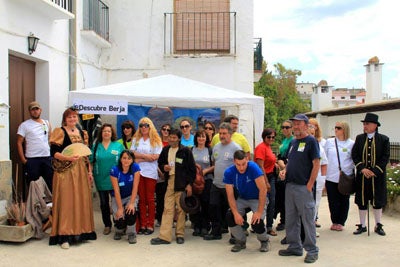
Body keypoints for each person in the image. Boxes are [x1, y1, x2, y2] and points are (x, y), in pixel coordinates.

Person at [49, 107, 96, 249]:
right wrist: (68, 157)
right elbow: (54, 153)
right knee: (67, 202)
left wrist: (89, 172)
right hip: (65, 172)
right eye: (69, 117)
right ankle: (64, 235)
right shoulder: (60, 131)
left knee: (80, 200)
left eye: (74, 117)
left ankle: (80, 231)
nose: (72, 119)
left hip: (81, 170)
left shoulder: (82, 133)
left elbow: (86, 155)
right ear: (65, 119)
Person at [278, 114, 319, 264]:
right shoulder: (294, 142)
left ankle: (312, 250)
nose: (295, 126)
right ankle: (295, 246)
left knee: (307, 219)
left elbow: (316, 164)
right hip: (290, 186)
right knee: (291, 218)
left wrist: (310, 184)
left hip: (303, 187)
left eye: (298, 123)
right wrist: (285, 171)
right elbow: (290, 161)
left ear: (306, 125)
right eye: (294, 123)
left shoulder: (311, 141)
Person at [150, 128, 196, 245]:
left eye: (174, 137)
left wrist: (189, 184)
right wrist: (164, 167)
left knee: (181, 210)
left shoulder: (185, 151)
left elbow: (192, 170)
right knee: (167, 209)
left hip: (182, 183)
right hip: (170, 182)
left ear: (179, 139)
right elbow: (160, 163)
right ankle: (165, 236)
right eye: (170, 137)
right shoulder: (165, 150)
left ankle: (180, 234)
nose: (171, 139)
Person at [351, 113, 390, 236]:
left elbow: (385, 157)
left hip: (377, 176)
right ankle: (362, 225)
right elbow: (355, 155)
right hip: (362, 176)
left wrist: (374, 171)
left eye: (367, 124)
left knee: (377, 200)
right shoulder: (359, 138)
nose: (365, 126)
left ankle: (378, 225)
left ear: (375, 125)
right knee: (362, 200)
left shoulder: (384, 139)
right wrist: (362, 168)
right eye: (364, 124)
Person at [225, 150, 270, 253]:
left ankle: (264, 240)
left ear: (247, 159)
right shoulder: (229, 172)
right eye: (238, 165)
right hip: (242, 198)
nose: (241, 168)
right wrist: (236, 214)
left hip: (257, 198)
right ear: (234, 162)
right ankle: (240, 241)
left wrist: (258, 212)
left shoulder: (254, 168)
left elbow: (263, 190)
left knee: (257, 222)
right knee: (230, 216)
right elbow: (230, 195)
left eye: (244, 164)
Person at [204, 122, 241, 241]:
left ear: (230, 134)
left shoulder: (236, 148)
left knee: (232, 210)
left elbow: (240, 167)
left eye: (224, 133)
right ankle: (216, 232)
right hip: (216, 183)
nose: (222, 136)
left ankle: (235, 235)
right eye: (220, 133)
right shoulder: (216, 147)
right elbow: (215, 164)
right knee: (213, 207)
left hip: (230, 185)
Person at [130, 117, 162, 235]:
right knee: (141, 199)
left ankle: (150, 224)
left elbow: (155, 157)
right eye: (141, 125)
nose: (143, 127)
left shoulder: (156, 140)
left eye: (146, 125)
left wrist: (140, 157)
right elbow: (132, 154)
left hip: (150, 172)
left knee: (150, 199)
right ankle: (143, 224)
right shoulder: (136, 139)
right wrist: (146, 157)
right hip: (138, 172)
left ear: (150, 126)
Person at [91, 123, 124, 235]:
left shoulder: (118, 146)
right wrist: (89, 173)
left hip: (115, 178)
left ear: (112, 133)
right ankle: (107, 225)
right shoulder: (96, 146)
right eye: (104, 131)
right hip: (100, 178)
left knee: (116, 202)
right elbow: (90, 161)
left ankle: (118, 223)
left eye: (109, 131)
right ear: (101, 133)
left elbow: (124, 161)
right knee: (104, 203)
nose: (106, 133)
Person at [17, 101, 53, 192]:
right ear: (29, 111)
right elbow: (19, 142)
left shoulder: (47, 123)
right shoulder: (24, 125)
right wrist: (24, 160)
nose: (35, 111)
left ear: (40, 110)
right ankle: (35, 204)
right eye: (33, 110)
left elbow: (50, 139)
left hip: (46, 158)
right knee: (33, 185)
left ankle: (49, 204)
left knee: (50, 183)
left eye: (37, 109)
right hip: (32, 159)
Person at [324, 121, 354, 231]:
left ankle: (341, 221)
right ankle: (334, 220)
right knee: (332, 200)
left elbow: (353, 159)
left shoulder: (351, 143)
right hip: (331, 176)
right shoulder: (329, 142)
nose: (336, 129)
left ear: (344, 130)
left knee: (344, 200)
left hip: (345, 177)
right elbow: (325, 158)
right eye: (335, 127)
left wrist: (346, 169)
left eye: (339, 128)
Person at [110, 150, 141, 244]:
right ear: (120, 159)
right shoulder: (114, 170)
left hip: (130, 196)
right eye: (124, 158)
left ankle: (131, 233)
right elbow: (116, 191)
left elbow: (135, 187)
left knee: (130, 212)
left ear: (132, 160)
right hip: (117, 197)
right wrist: (119, 208)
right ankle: (119, 231)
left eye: (129, 158)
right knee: (120, 216)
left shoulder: (135, 168)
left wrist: (131, 203)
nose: (126, 160)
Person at [191, 129, 215, 237]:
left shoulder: (210, 150)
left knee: (205, 202)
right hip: (194, 180)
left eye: (203, 136)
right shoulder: (192, 150)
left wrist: (205, 171)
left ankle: (205, 225)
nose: (201, 139)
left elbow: (215, 165)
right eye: (199, 136)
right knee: (195, 203)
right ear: (196, 138)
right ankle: (197, 225)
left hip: (207, 179)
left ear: (207, 138)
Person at [254, 128, 275, 236]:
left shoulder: (268, 147)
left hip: (271, 176)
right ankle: (261, 225)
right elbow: (260, 166)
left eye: (273, 137)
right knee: (266, 202)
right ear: (264, 137)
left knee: (271, 202)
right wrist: (266, 182)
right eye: (268, 137)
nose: (271, 139)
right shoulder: (261, 148)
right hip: (263, 178)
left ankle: (268, 225)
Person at [308, 123, 328, 234]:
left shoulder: (319, 146)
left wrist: (323, 179)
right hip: (304, 179)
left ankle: (311, 227)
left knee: (315, 203)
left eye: (313, 133)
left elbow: (324, 164)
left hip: (318, 179)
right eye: (309, 133)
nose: (311, 135)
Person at [275, 120, 293, 232]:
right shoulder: (284, 141)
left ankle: (285, 221)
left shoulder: (293, 140)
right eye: (283, 127)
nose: (285, 129)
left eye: (287, 127)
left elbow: (290, 157)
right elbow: (280, 155)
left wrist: (283, 165)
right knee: (281, 197)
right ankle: (283, 220)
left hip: (288, 171)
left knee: (286, 198)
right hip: (281, 171)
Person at [155, 123, 171, 227]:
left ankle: (170, 219)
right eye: (164, 129)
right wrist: (160, 172)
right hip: (159, 174)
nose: (166, 131)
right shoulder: (157, 143)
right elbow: (155, 160)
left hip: (171, 175)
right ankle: (160, 219)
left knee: (170, 199)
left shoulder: (173, 143)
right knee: (160, 198)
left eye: (168, 130)